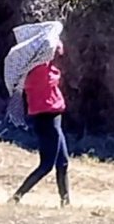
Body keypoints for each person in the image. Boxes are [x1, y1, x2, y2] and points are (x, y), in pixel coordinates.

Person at [8, 23, 70, 206]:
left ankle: (65, 201)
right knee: (47, 165)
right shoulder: (40, 71)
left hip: (50, 119)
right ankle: (17, 196)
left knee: (62, 162)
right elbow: (55, 48)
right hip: (48, 119)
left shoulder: (33, 71)